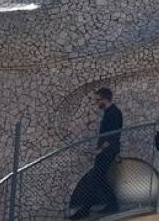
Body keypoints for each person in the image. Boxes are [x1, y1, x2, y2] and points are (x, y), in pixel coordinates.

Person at [69, 88, 122, 219]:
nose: (97, 103)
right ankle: (113, 204)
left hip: (107, 153)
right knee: (101, 180)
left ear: (105, 99)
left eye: (98, 100)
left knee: (94, 180)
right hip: (105, 152)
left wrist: (100, 150)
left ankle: (85, 210)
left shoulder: (115, 113)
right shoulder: (108, 112)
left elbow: (113, 136)